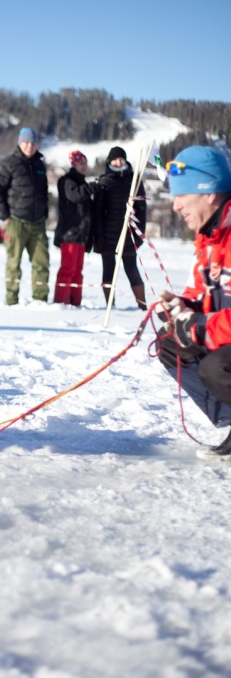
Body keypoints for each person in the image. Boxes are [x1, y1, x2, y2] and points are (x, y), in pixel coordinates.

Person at [156, 146, 231, 454]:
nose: (176, 206)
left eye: (182, 196)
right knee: (171, 344)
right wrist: (182, 308)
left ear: (209, 193)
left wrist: (200, 327)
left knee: (217, 366)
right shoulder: (209, 237)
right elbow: (200, 291)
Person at [0, 127, 49, 305]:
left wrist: (44, 212)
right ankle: (11, 299)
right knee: (14, 263)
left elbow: (44, 192)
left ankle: (40, 300)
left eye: (33, 143)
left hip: (38, 223)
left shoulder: (40, 165)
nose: (30, 146)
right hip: (16, 221)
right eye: (26, 142)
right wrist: (5, 217)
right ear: (20, 143)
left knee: (41, 263)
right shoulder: (8, 163)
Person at [93, 145, 147, 310]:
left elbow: (142, 209)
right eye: (115, 159)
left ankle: (142, 305)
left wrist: (139, 234)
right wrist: (98, 236)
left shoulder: (134, 180)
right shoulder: (104, 181)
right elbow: (97, 211)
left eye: (121, 159)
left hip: (129, 235)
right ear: (110, 162)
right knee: (108, 270)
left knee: (132, 269)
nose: (119, 162)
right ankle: (111, 305)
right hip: (108, 236)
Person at [53, 150, 96, 306]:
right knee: (68, 269)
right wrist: (93, 187)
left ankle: (74, 302)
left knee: (78, 271)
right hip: (69, 233)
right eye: (80, 163)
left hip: (81, 234)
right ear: (74, 164)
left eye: (85, 163)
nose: (84, 166)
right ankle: (61, 301)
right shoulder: (68, 181)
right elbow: (76, 196)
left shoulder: (82, 182)